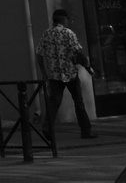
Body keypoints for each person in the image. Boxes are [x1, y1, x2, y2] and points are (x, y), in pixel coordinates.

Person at [37, 9, 97, 140]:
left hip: (54, 74)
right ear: (64, 20)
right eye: (67, 19)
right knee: (78, 102)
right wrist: (87, 66)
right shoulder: (68, 33)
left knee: (54, 102)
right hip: (70, 73)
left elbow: (39, 54)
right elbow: (79, 52)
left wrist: (43, 71)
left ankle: (47, 127)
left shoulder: (46, 34)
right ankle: (85, 131)